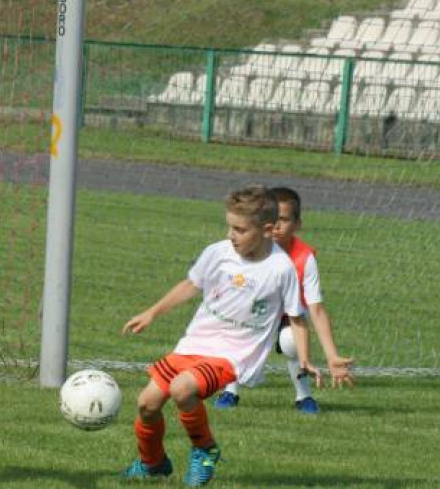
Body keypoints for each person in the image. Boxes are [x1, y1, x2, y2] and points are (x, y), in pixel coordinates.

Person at [120, 185, 352, 487]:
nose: (231, 234)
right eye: (229, 226)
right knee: (147, 403)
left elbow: (297, 316)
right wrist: (152, 312)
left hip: (233, 355)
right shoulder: (218, 252)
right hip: (195, 343)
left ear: (267, 229)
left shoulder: (281, 268)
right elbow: (191, 285)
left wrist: (309, 358)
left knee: (182, 389)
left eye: (240, 229)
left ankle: (204, 451)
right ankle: (153, 464)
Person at [213, 186, 354, 415]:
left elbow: (316, 309)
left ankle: (303, 396)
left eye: (284, 219)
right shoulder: (245, 248)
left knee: (291, 341)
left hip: (289, 319)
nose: (277, 225)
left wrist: (332, 355)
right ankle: (229, 390)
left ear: (297, 224)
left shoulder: (305, 258)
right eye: (272, 219)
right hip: (251, 315)